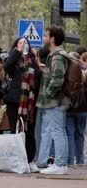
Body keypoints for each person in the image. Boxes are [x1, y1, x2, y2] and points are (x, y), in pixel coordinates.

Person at [36, 25, 70, 175]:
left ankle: (60, 164)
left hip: (55, 101)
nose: (43, 38)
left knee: (57, 132)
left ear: (52, 39)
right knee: (60, 131)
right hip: (58, 100)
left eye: (45, 35)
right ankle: (61, 164)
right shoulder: (58, 55)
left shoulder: (57, 56)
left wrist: (48, 93)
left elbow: (57, 79)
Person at [3, 37, 41, 171]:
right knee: (16, 130)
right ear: (15, 45)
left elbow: (38, 78)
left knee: (29, 132)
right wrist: (17, 52)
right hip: (15, 101)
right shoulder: (13, 60)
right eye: (20, 43)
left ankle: (30, 160)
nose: (23, 44)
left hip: (29, 103)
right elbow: (7, 67)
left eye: (25, 43)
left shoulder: (32, 61)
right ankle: (17, 160)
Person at [65, 52, 87, 166]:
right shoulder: (84, 74)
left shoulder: (69, 73)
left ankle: (70, 160)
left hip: (70, 108)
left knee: (70, 134)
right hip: (83, 109)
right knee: (80, 134)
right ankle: (80, 160)